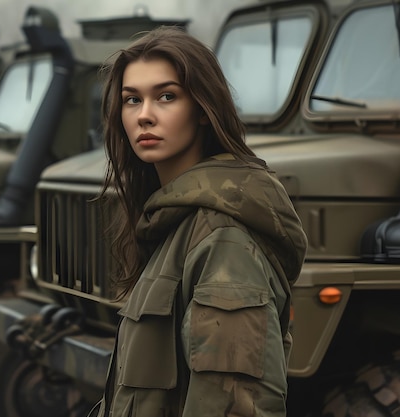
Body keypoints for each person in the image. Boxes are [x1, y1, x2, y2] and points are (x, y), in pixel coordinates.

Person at [93, 26, 308, 417]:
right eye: (131, 100)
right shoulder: (170, 222)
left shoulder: (223, 240)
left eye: (166, 96)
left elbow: (233, 405)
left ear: (204, 110)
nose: (144, 115)